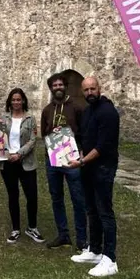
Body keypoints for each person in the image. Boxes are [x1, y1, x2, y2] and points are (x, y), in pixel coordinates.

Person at [69, 77, 120, 277]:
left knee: (104, 212)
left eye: (93, 88)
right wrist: (80, 156)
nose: (89, 92)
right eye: (86, 90)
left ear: (99, 88)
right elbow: (85, 139)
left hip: (103, 168)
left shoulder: (108, 112)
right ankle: (95, 250)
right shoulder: (88, 111)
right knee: (91, 210)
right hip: (88, 168)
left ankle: (110, 259)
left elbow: (102, 146)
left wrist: (82, 161)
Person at [40, 72, 88, 251]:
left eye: (60, 85)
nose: (57, 88)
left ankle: (82, 239)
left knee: (78, 199)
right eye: (54, 86)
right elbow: (44, 134)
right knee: (57, 198)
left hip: (71, 159)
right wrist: (52, 132)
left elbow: (84, 131)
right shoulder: (47, 110)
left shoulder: (77, 107)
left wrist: (81, 150)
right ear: (51, 88)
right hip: (53, 160)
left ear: (65, 87)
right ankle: (63, 235)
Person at [0, 88, 44, 244]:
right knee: (13, 195)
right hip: (8, 161)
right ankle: (15, 229)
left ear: (23, 101)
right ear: (10, 102)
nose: (16, 102)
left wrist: (19, 154)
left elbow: (33, 140)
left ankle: (32, 227)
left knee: (32, 196)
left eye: (18, 99)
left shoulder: (30, 118)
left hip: (26, 162)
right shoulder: (4, 118)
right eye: (13, 100)